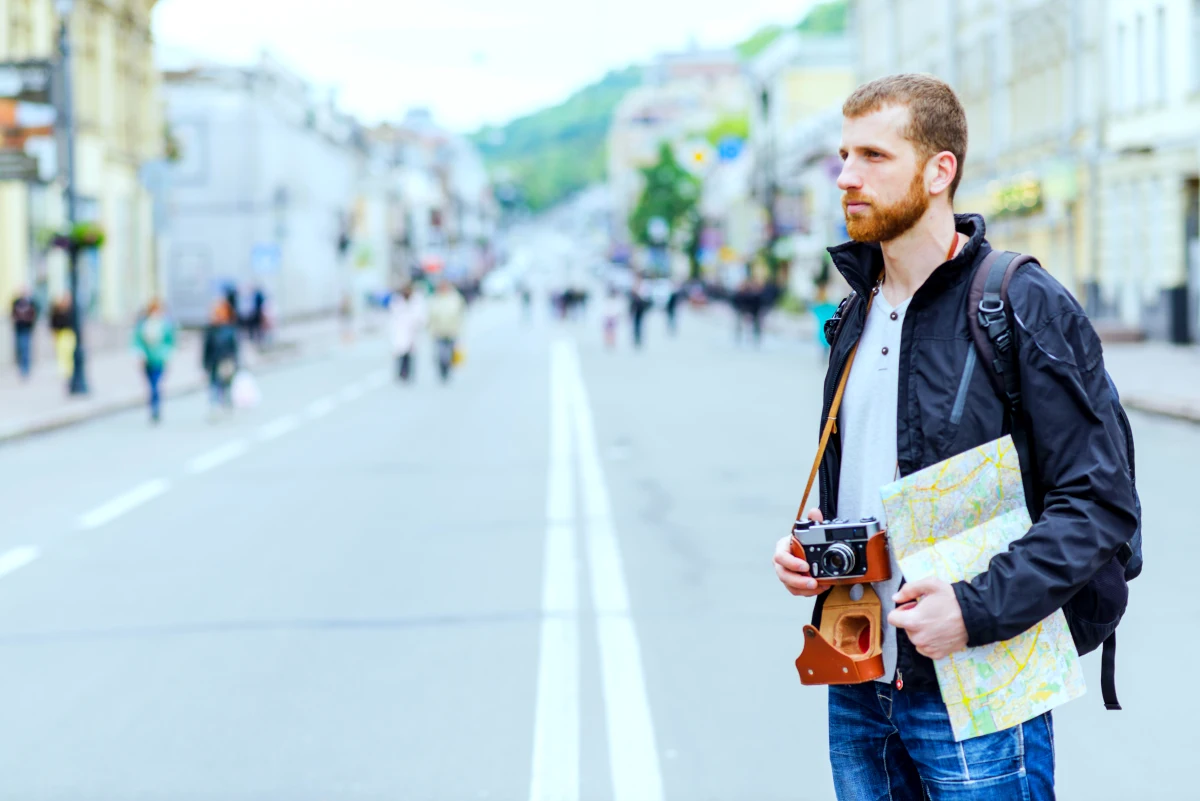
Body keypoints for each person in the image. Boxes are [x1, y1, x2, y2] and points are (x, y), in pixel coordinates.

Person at [771, 74, 1138, 800]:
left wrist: (973, 609)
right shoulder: (854, 315)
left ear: (940, 170)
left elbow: (1101, 505)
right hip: (861, 677)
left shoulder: (1020, 301)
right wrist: (816, 547)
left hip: (982, 687)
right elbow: (874, 480)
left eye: (873, 155)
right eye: (843, 155)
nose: (846, 176)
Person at [132, 299, 176, 423]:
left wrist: (167, 355)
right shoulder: (143, 325)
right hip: (147, 360)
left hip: (160, 359)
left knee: (156, 384)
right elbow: (137, 341)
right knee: (150, 385)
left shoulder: (165, 325)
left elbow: (171, 342)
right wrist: (139, 354)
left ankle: (156, 408)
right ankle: (153, 406)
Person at [202, 300, 239, 418]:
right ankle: (215, 407)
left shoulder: (230, 328)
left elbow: (235, 347)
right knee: (214, 385)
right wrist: (205, 363)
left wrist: (236, 362)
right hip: (213, 361)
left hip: (226, 361)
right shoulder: (210, 329)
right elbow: (206, 348)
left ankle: (227, 405)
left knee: (227, 385)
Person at [426, 278, 466, 382]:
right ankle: (442, 371)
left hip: (452, 330)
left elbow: (460, 312)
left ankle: (448, 370)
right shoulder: (434, 299)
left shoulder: (454, 298)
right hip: (438, 331)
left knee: (450, 353)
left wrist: (459, 327)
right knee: (441, 354)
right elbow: (430, 314)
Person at [389, 284, 426, 383]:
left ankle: (408, 374)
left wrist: (418, 324)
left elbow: (421, 316)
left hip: (413, 331)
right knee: (400, 353)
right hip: (400, 330)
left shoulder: (417, 301)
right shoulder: (397, 301)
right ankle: (401, 373)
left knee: (410, 355)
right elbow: (394, 315)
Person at [10, 287, 38, 379]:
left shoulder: (31, 302)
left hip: (27, 328)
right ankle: (22, 368)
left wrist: (31, 322)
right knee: (20, 348)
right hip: (19, 328)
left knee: (26, 348)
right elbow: (12, 313)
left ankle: (25, 368)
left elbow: (35, 313)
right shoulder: (16, 302)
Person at [49, 294, 75, 382]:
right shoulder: (56, 312)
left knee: (69, 353)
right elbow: (53, 325)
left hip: (69, 334)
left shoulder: (71, 311)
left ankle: (69, 370)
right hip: (60, 334)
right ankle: (63, 371)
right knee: (61, 353)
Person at [628, 278, 651, 349]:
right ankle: (636, 338)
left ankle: (638, 338)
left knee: (639, 324)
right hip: (637, 311)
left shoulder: (642, 292)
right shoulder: (635, 294)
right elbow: (631, 303)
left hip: (640, 311)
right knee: (636, 325)